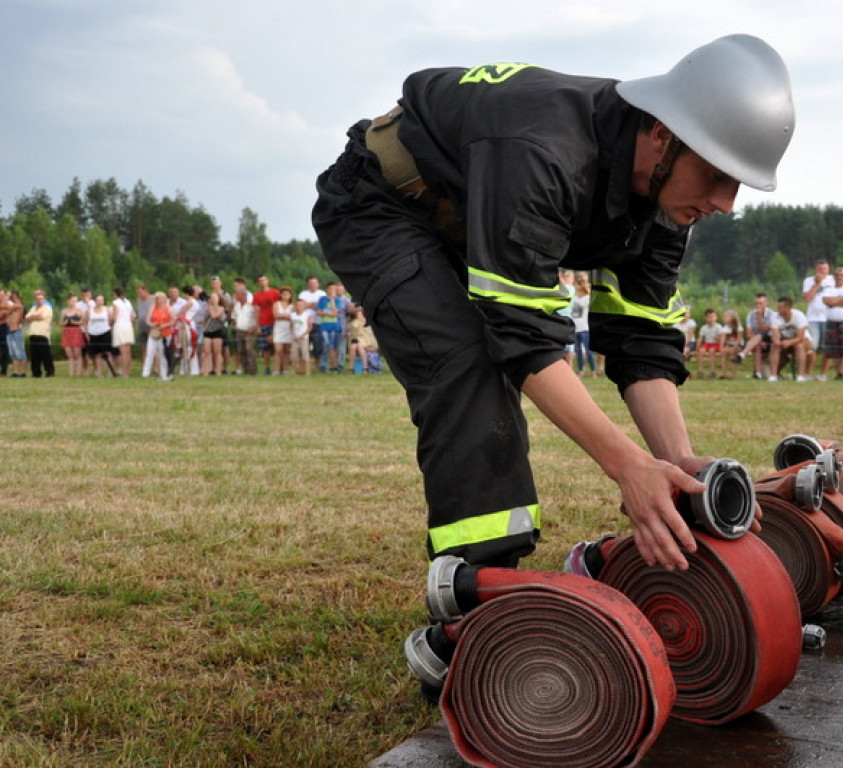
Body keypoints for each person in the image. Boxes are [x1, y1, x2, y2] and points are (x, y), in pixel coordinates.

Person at [311, 34, 794, 688]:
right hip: (382, 201)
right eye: (717, 175)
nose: (727, 204)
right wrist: (627, 467)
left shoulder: (665, 204)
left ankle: (493, 596)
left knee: (492, 356)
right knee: (469, 366)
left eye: (738, 183)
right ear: (662, 135)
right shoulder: (546, 152)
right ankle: (477, 606)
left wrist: (675, 465)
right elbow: (525, 339)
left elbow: (641, 340)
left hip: (466, 208)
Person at [768, 296, 813, 382]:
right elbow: (775, 334)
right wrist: (777, 341)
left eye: (780, 307)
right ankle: (773, 375)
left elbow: (800, 337)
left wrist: (790, 342)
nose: (778, 309)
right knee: (774, 346)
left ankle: (801, 376)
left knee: (799, 346)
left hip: (803, 340)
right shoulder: (774, 316)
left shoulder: (799, 316)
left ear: (787, 308)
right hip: (785, 340)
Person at [733, 292, 776, 378]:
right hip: (755, 342)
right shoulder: (750, 315)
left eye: (761, 303)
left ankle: (742, 355)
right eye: (756, 303)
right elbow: (749, 333)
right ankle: (758, 374)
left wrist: (759, 317)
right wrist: (758, 342)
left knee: (759, 336)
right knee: (757, 345)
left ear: (766, 303)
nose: (758, 305)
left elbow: (766, 329)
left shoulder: (773, 315)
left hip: (770, 339)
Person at [801, 258, 834, 353]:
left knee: (828, 347)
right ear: (815, 269)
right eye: (820, 269)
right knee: (812, 346)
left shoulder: (833, 279)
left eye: (824, 269)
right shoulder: (808, 281)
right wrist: (817, 284)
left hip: (829, 318)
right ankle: (808, 367)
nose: (822, 271)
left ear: (828, 269)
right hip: (813, 318)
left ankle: (824, 368)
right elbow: (806, 298)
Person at [142, 291, 175, 381]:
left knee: (162, 354)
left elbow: (173, 320)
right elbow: (147, 320)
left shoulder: (168, 308)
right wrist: (153, 324)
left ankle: (163, 372)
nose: (160, 301)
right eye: (158, 299)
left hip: (165, 333)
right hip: (154, 332)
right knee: (150, 352)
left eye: (162, 299)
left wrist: (165, 325)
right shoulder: (153, 308)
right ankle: (145, 373)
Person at [571, 271, 598, 377]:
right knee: (578, 351)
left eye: (582, 278)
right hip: (575, 327)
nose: (580, 280)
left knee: (588, 351)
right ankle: (581, 370)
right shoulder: (575, 295)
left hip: (585, 327)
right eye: (579, 278)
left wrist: (585, 286)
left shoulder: (589, 295)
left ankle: (593, 371)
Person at [24, 289, 56, 378]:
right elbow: (26, 318)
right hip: (33, 333)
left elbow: (42, 317)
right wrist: (35, 317)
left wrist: (33, 317)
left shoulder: (47, 308)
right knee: (34, 355)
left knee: (45, 354)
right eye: (37, 299)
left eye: (41, 299)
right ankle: (36, 372)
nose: (39, 300)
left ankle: (49, 371)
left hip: (42, 334)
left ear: (44, 299)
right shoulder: (33, 308)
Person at [253, 274, 280, 375]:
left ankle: (279, 368)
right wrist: (257, 325)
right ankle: (267, 368)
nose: (262, 282)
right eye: (260, 281)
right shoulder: (257, 295)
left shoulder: (275, 293)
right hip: (263, 323)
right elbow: (256, 310)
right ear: (258, 283)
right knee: (265, 348)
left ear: (267, 281)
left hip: (276, 323)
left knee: (278, 347)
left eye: (264, 280)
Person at [231, 278, 259, 375]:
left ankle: (252, 370)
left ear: (242, 294)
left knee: (249, 350)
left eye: (237, 294)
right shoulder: (237, 305)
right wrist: (235, 325)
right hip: (239, 330)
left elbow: (257, 316)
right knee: (241, 350)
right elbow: (234, 316)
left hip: (249, 331)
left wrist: (255, 326)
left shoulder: (252, 305)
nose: (235, 296)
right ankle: (245, 369)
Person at [299, 277, 326, 370]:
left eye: (314, 283)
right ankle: (304, 367)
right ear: (308, 284)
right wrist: (315, 305)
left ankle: (317, 367)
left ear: (318, 284)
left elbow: (322, 306)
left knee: (318, 346)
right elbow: (301, 306)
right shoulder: (303, 294)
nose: (312, 285)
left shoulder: (322, 294)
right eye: (311, 283)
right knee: (304, 346)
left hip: (318, 323)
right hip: (305, 324)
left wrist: (308, 305)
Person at [85, 293, 115, 376]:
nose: (100, 302)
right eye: (98, 300)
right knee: (96, 354)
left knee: (108, 352)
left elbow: (111, 321)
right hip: (93, 334)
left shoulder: (106, 309)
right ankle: (99, 372)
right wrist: (87, 333)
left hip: (105, 332)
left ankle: (110, 372)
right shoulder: (90, 310)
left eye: (101, 300)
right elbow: (85, 322)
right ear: (95, 301)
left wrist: (110, 330)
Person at [111, 286, 136, 377]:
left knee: (122, 351)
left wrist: (111, 322)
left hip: (120, 326)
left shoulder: (115, 303)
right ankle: (127, 372)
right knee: (128, 351)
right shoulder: (128, 302)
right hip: (128, 327)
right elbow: (133, 316)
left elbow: (114, 317)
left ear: (115, 294)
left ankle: (124, 372)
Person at [60, 292, 87, 377]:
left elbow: (84, 322)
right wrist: (65, 322)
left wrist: (74, 322)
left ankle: (78, 373)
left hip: (76, 332)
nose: (73, 302)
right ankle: (71, 373)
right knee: (69, 354)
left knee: (77, 354)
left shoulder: (79, 311)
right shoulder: (64, 311)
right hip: (67, 332)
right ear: (68, 301)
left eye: (75, 301)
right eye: (72, 301)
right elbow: (60, 323)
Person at [202, 291, 228, 375]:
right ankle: (207, 370)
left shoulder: (221, 308)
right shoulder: (207, 308)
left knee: (217, 352)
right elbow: (204, 318)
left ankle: (218, 370)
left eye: (215, 298)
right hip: (207, 330)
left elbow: (215, 316)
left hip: (217, 331)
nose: (213, 300)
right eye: (211, 298)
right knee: (206, 351)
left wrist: (211, 309)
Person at [695, 308, 724, 379]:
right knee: (701, 351)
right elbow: (700, 338)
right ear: (706, 318)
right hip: (707, 343)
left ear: (716, 317)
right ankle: (700, 371)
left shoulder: (718, 327)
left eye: (713, 317)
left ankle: (712, 372)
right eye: (709, 317)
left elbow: (722, 338)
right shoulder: (704, 327)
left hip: (715, 344)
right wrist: (697, 347)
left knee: (712, 351)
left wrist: (720, 345)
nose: (711, 319)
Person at [272, 286, 294, 374]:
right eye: (284, 294)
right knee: (278, 350)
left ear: (290, 295)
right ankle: (277, 369)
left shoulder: (293, 306)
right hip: (278, 329)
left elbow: (293, 317)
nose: (285, 296)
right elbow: (276, 315)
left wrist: (282, 316)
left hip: (289, 329)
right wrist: (287, 316)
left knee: (286, 350)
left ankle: (285, 369)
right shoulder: (276, 304)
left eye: (287, 294)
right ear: (281, 295)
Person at [4, 291, 27, 378]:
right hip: (9, 332)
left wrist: (6, 297)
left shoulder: (19, 306)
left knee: (20, 352)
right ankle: (15, 371)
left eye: (13, 297)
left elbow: (4, 306)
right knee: (13, 354)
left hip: (16, 331)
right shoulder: (11, 308)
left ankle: (23, 372)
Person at [290, 298, 315, 376]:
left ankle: (307, 371)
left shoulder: (307, 315)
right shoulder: (292, 315)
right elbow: (291, 326)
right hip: (295, 338)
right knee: (294, 355)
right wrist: (293, 334)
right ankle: (295, 371)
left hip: (304, 338)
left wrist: (303, 334)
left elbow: (310, 327)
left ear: (304, 306)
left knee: (305, 355)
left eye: (301, 305)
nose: (299, 307)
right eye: (297, 305)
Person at [718, 309, 743, 378]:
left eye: (726, 316)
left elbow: (738, 340)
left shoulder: (738, 327)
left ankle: (734, 374)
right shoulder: (725, 328)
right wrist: (721, 348)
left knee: (734, 353)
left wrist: (733, 348)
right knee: (724, 353)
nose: (724, 318)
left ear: (732, 318)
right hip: (728, 346)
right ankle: (724, 373)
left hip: (738, 346)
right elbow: (722, 340)